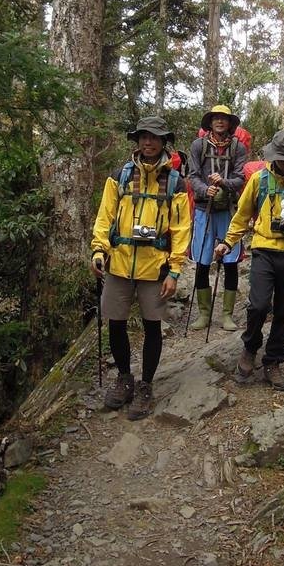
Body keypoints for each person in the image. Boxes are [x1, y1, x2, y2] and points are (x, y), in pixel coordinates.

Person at [91, 116, 191, 419]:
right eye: (143, 137)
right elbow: (104, 215)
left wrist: (175, 270)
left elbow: (182, 228)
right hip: (119, 262)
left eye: (154, 138)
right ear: (137, 140)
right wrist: (99, 249)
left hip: (155, 265)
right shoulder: (119, 176)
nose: (148, 142)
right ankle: (124, 377)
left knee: (152, 326)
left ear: (163, 142)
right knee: (116, 323)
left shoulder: (175, 182)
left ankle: (146, 385)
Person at [214, 128, 284, 391]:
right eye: (282, 157)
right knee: (258, 304)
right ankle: (250, 347)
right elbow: (242, 215)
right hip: (264, 250)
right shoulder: (259, 180)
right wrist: (228, 242)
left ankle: (273, 360)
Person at [187, 104, 248, 331]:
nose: (220, 122)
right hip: (204, 209)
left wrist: (223, 183)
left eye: (224, 118)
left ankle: (227, 315)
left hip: (229, 210)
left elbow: (240, 178)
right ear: (210, 122)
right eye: (216, 118)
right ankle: (204, 314)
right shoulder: (198, 146)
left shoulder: (238, 148)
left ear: (230, 123)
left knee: (230, 261)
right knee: (202, 261)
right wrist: (204, 190)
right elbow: (192, 175)